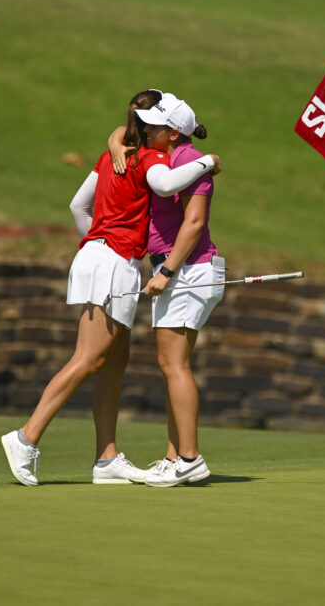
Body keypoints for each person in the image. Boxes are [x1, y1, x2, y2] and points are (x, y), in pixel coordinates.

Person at [0, 91, 221, 486]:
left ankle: (107, 459)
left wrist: (97, 243)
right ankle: (25, 438)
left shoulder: (112, 154)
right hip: (113, 262)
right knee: (88, 358)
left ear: (171, 131)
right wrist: (209, 161)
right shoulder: (153, 158)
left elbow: (76, 207)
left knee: (113, 363)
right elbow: (168, 183)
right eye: (145, 122)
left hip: (101, 257)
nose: (144, 125)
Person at [107, 96, 222, 486]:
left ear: (173, 133)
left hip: (187, 269)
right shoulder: (171, 157)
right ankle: (174, 457)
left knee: (174, 365)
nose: (144, 132)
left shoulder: (190, 161)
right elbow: (122, 133)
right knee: (172, 365)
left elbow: (194, 222)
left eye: (152, 127)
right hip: (178, 270)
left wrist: (167, 271)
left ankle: (190, 458)